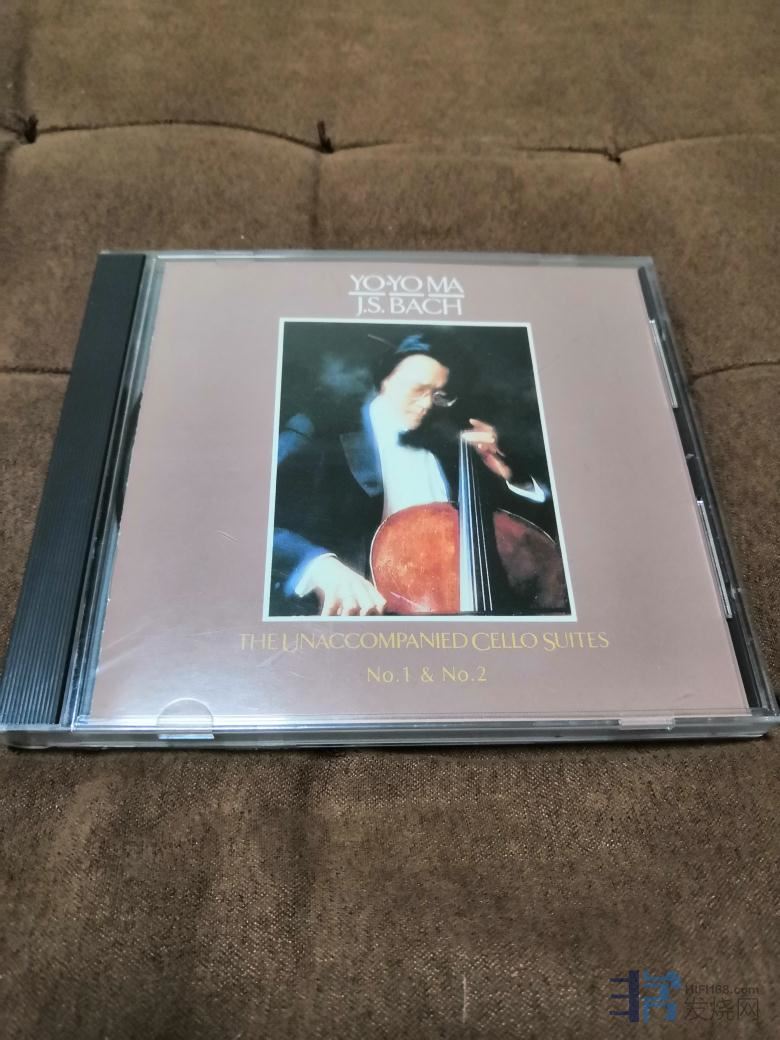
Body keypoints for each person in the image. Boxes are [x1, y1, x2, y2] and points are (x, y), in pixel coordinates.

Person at [270, 332, 555, 616]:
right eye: (417, 389)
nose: (427, 405)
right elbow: (260, 519)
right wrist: (318, 566)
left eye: (439, 395)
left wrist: (513, 476)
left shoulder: (454, 448)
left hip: (453, 605)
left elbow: (528, 538)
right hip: (366, 615)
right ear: (385, 378)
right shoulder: (318, 432)